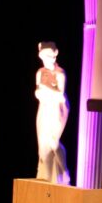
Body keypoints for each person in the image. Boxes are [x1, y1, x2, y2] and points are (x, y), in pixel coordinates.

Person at [34, 41, 70, 185]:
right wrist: (44, 91)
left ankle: (64, 170)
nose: (51, 59)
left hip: (58, 109)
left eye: (53, 56)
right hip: (44, 108)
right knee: (43, 148)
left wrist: (45, 90)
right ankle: (47, 180)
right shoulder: (40, 73)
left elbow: (60, 96)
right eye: (48, 56)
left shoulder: (60, 73)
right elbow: (37, 93)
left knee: (53, 141)